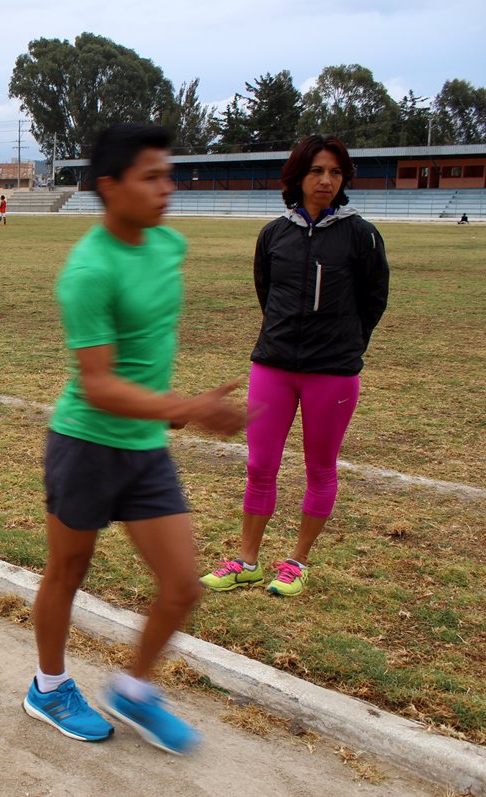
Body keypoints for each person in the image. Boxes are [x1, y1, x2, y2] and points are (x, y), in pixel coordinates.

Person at [23, 124, 245, 755]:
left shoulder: (167, 245)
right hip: (86, 444)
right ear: (109, 187)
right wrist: (189, 409)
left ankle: (133, 689)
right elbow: (96, 384)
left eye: (168, 174)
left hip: (145, 447)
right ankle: (49, 686)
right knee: (67, 571)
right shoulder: (88, 271)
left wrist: (171, 411)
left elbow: (146, 353)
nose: (166, 188)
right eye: (150, 176)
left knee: (182, 585)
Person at [200, 134, 389, 598]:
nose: (326, 181)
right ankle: (246, 561)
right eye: (316, 171)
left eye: (335, 172)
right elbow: (267, 293)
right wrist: (284, 338)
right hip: (274, 366)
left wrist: (344, 346)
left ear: (344, 179)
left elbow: (373, 300)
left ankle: (298, 562)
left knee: (319, 467)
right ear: (299, 176)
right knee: (260, 464)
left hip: (333, 372)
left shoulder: (361, 234)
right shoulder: (274, 234)